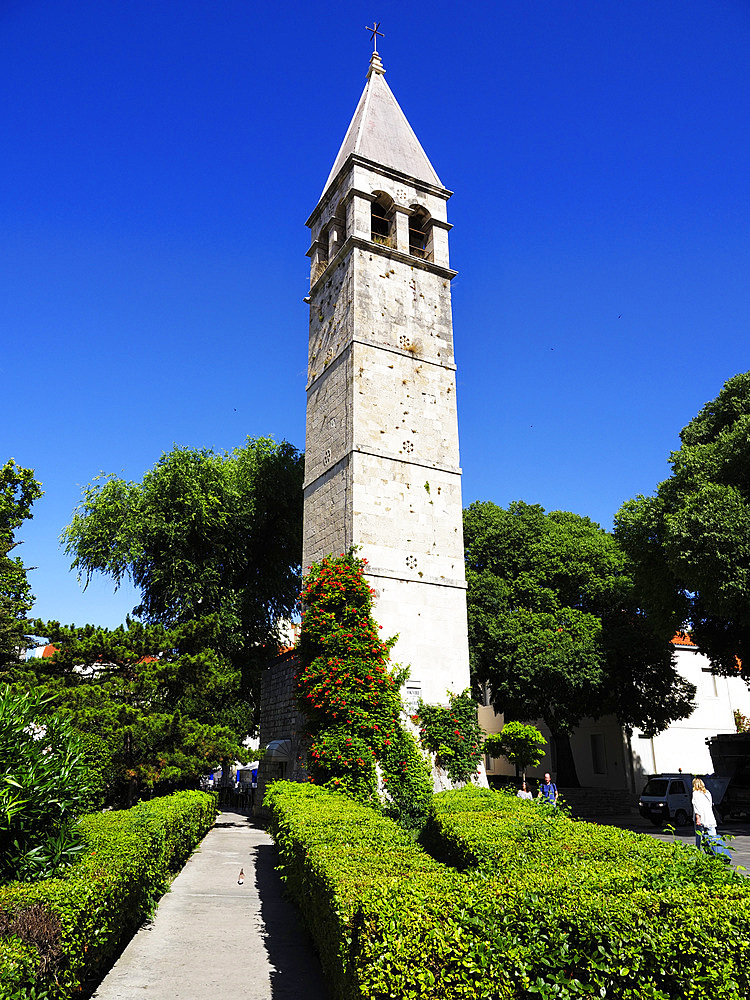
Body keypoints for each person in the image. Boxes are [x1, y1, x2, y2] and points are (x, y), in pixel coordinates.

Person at [692, 777, 717, 850]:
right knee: (713, 839)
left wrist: (697, 819)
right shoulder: (707, 793)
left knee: (700, 838)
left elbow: (696, 807)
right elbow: (710, 804)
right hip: (710, 818)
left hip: (701, 819)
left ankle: (700, 854)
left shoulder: (695, 793)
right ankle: (715, 854)